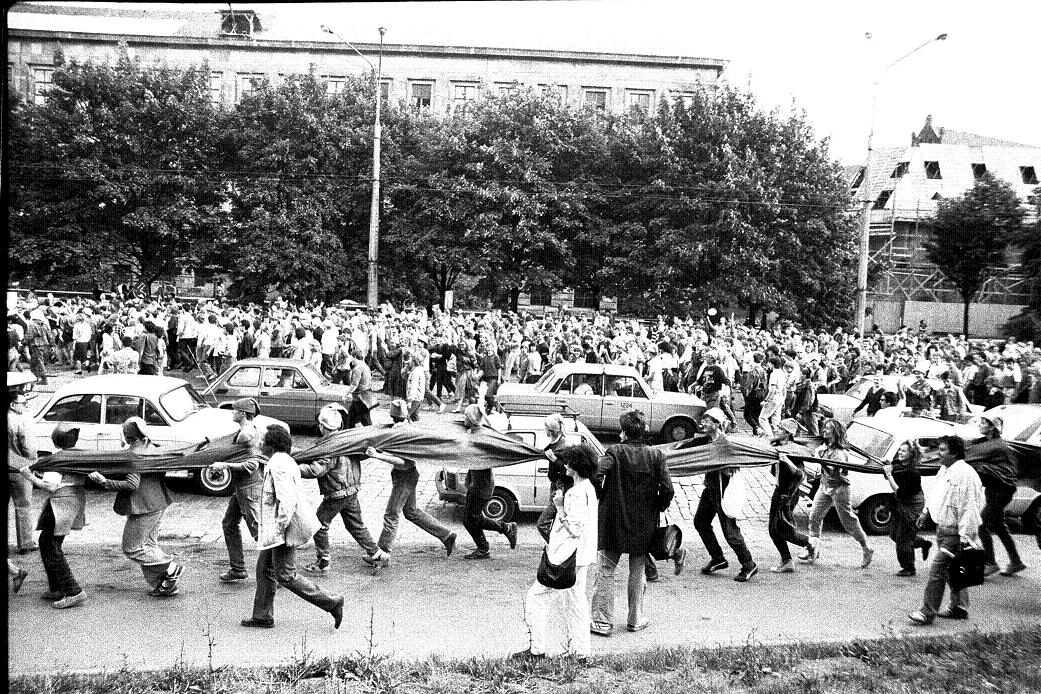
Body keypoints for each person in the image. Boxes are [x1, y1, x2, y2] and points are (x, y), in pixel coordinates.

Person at [242, 424, 345, 629]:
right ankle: (262, 616)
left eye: (263, 440)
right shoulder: (282, 460)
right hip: (279, 526)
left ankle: (331, 602)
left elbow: (286, 500)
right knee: (264, 568)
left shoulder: (279, 464)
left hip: (284, 528)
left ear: (271, 445)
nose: (259, 443)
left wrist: (279, 529)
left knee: (285, 575)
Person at [589, 409, 673, 636]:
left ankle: (602, 621)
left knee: (606, 569)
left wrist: (603, 495)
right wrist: (659, 505)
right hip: (644, 521)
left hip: (613, 519)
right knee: (637, 570)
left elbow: (596, 473)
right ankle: (635, 618)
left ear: (623, 431)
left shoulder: (614, 452)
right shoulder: (656, 456)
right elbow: (668, 489)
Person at [519, 444, 600, 660]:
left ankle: (537, 650)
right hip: (582, 556)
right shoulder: (589, 488)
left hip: (566, 556)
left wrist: (560, 505)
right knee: (577, 603)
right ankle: (580, 652)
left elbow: (574, 528)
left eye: (568, 462)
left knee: (536, 599)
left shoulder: (574, 493)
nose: (564, 465)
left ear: (576, 465)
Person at [88, 418, 184, 597]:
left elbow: (132, 485)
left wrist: (104, 481)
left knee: (133, 548)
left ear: (128, 436)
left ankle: (171, 567)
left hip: (144, 506)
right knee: (149, 546)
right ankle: (165, 585)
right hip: (158, 501)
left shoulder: (134, 455)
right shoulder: (152, 447)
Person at [364, 400, 458, 561]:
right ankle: (447, 535)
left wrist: (377, 455)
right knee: (411, 512)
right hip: (408, 475)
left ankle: (383, 553)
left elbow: (403, 462)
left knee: (391, 515)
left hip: (405, 476)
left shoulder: (401, 434)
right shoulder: (408, 428)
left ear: (391, 415)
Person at [300, 406, 389, 573]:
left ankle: (323, 560)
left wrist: (292, 467)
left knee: (319, 525)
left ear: (322, 426)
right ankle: (377, 555)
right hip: (352, 490)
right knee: (356, 525)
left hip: (336, 494)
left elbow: (316, 470)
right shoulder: (348, 439)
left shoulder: (328, 447)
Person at [908, 435, 984, 625]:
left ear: (954, 453)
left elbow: (971, 508)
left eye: (942, 450)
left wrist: (966, 537)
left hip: (956, 533)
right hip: (943, 529)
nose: (938, 453)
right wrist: (925, 512)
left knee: (937, 568)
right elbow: (936, 494)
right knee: (952, 570)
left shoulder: (966, 475)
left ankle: (927, 611)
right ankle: (959, 608)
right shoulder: (945, 470)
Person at [18, 423, 88, 608]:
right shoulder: (79, 455)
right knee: (48, 543)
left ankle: (73, 591)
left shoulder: (57, 459)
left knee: (50, 546)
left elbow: (50, 485)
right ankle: (57, 587)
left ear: (55, 441)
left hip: (59, 503)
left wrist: (29, 476)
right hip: (74, 501)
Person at [694, 408, 758, 582]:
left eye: (708, 420)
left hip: (723, 491)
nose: (704, 422)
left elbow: (733, 469)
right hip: (710, 490)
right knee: (700, 522)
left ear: (717, 424)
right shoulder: (706, 441)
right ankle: (718, 558)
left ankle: (749, 564)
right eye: (704, 419)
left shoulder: (726, 443)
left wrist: (721, 466)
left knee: (730, 532)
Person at [801, 418, 875, 568]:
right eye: (825, 428)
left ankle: (866, 547)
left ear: (835, 432)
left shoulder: (840, 453)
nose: (824, 430)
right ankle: (813, 548)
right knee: (815, 516)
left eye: (828, 429)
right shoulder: (826, 447)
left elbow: (838, 473)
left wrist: (820, 460)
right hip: (825, 486)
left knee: (848, 520)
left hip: (840, 489)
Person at [207, 398, 265, 583]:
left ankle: (278, 572)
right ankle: (238, 569)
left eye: (235, 410)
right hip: (243, 488)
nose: (232, 412)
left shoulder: (246, 435)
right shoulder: (250, 430)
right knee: (229, 524)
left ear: (242, 413)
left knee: (259, 532)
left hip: (249, 489)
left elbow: (251, 463)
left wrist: (224, 465)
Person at [966, 413, 1026, 576]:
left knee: (982, 524)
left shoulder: (997, 446)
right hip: (995, 490)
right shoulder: (988, 443)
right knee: (999, 525)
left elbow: (969, 456)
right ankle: (1016, 561)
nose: (980, 424)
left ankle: (991, 562)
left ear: (992, 427)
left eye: (984, 422)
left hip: (1002, 490)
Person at [461, 404, 519, 559]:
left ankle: (503, 531)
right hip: (477, 484)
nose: (463, 418)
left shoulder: (481, 437)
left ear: (472, 419)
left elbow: (481, 460)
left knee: (471, 519)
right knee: (472, 518)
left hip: (481, 486)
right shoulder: (477, 432)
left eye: (466, 416)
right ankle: (486, 545)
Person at [767, 418, 815, 573]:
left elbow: (801, 476)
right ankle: (787, 560)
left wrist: (786, 461)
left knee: (782, 530)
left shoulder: (793, 451)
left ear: (787, 434)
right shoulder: (780, 447)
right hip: (779, 491)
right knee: (773, 530)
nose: (776, 430)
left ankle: (811, 543)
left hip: (788, 494)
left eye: (780, 429)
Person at [881, 440, 932, 576]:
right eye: (900, 450)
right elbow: (888, 474)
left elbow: (900, 493)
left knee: (903, 539)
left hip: (911, 506)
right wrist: (887, 466)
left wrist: (890, 474)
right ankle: (922, 543)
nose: (900, 452)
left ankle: (909, 568)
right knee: (894, 535)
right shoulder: (899, 464)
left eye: (904, 451)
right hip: (901, 504)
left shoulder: (913, 473)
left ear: (911, 454)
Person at [7, 389, 39, 554]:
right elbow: (28, 448)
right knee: (23, 506)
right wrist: (33, 463)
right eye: (23, 403)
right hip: (19, 469)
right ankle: (25, 543)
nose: (25, 406)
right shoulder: (20, 421)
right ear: (13, 404)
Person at [535, 413, 571, 543]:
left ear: (551, 430)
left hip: (561, 488)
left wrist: (554, 459)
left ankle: (555, 546)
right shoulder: (555, 442)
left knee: (542, 523)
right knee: (556, 522)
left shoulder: (564, 446)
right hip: (555, 486)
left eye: (546, 428)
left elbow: (568, 470)